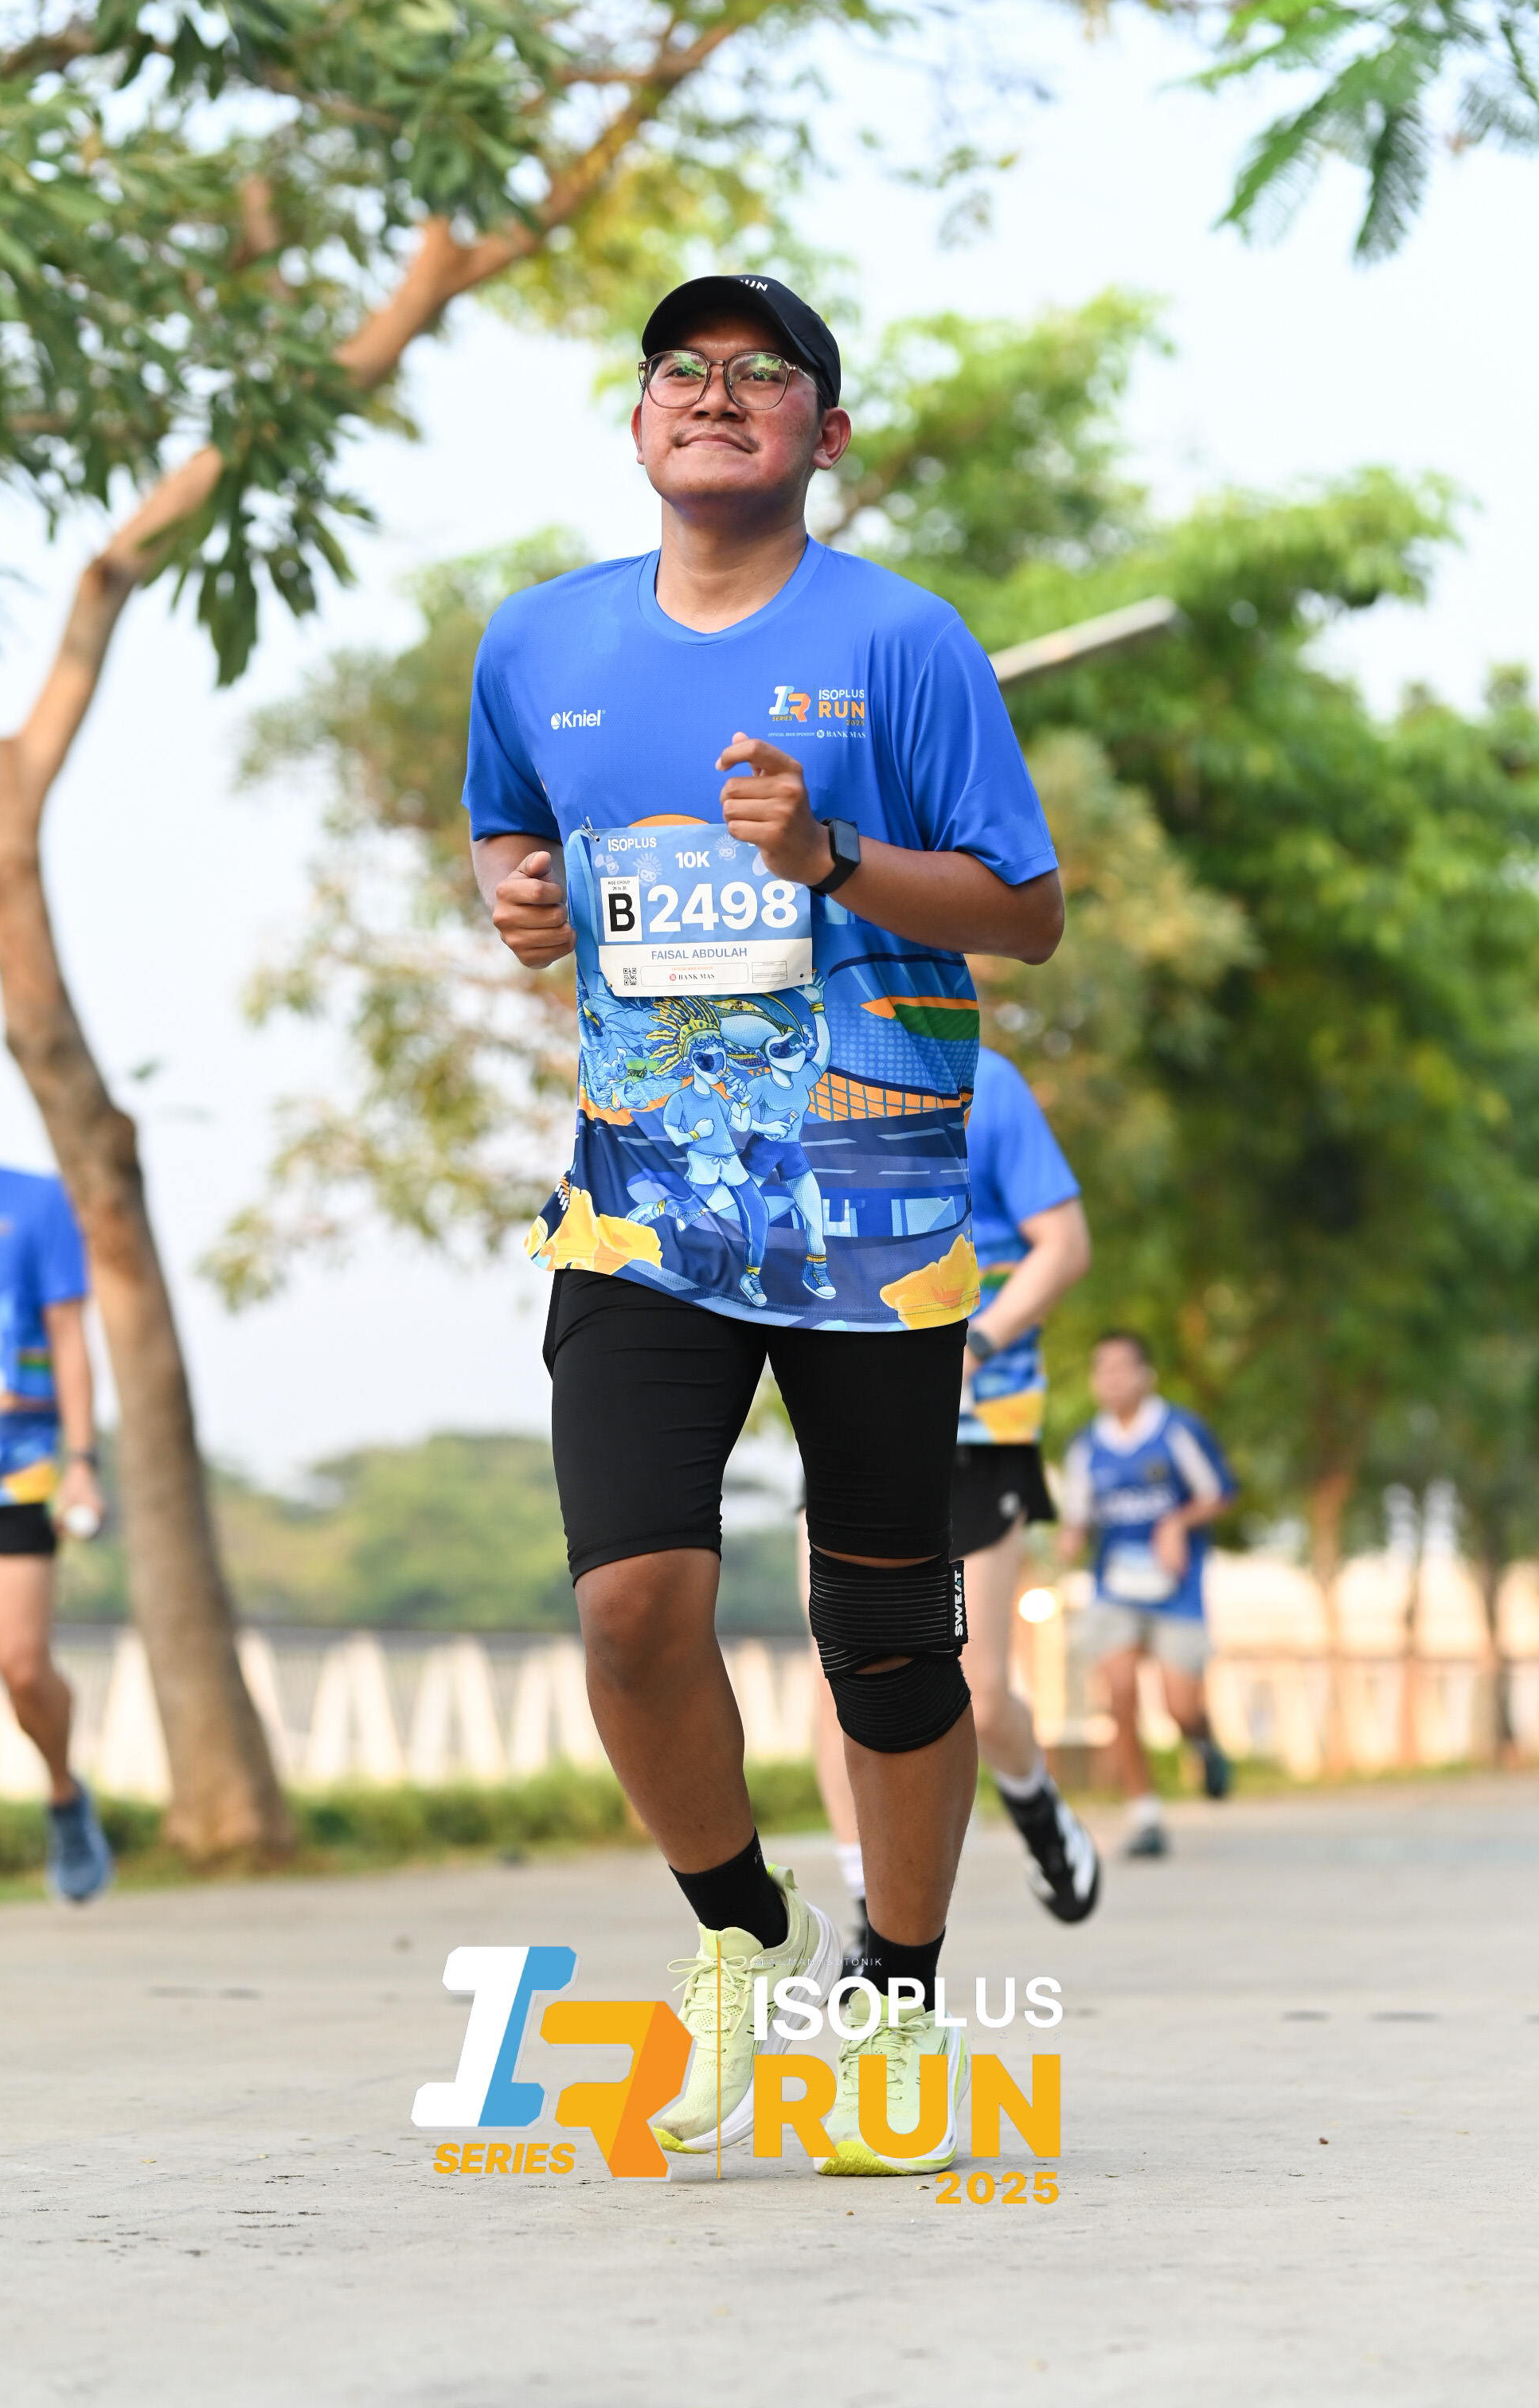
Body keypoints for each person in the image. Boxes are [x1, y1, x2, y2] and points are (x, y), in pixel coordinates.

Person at [467, 273, 1062, 2175]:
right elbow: (512, 837)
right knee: (631, 1609)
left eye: (763, 373)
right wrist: (518, 900)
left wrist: (828, 858)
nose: (716, 393)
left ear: (827, 432)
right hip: (644, 1204)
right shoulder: (538, 641)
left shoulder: (904, 641)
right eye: (683, 370)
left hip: (873, 1211)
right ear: (641, 423)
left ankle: (898, 1990)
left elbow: (1025, 910)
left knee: (885, 1638)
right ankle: (744, 1926)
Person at [810, 1045, 1099, 1947]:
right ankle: (869, 1909)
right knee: (838, 1670)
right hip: (850, 1417)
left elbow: (1065, 1244)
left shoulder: (985, 1079)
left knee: (981, 1687)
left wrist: (977, 1344)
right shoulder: (792, 1064)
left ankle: (1035, 1803)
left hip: (978, 1425)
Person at [0, 1076, 114, 1928]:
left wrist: (82, 1461)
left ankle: (63, 1792)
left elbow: (71, 1338)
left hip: (13, 1472)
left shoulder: (32, 1203)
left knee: (20, 1665)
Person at [1059, 1331, 1236, 1858]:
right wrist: (1069, 1538)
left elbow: (1220, 1494)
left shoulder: (1179, 1430)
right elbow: (1077, 1516)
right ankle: (1146, 1816)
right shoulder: (1085, 1447)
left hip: (1176, 1588)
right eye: (1102, 1369)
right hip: (1115, 1589)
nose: (1111, 1379)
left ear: (1145, 1375)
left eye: (1122, 1368)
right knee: (1118, 1693)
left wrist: (1176, 1524)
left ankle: (1202, 1741)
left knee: (1179, 1705)